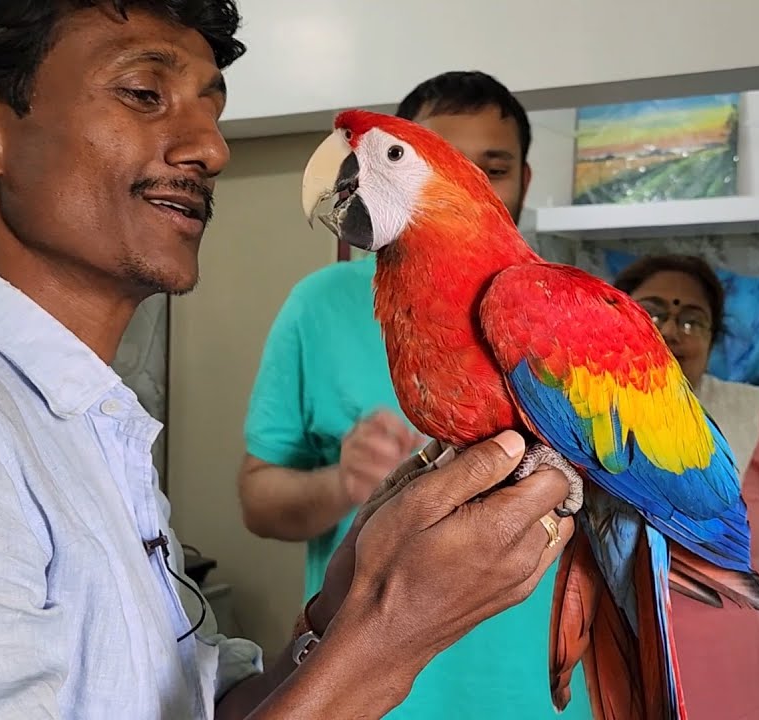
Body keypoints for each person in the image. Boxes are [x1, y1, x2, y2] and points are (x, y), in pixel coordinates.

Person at [0, 2, 579, 718]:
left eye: (212, 106)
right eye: (146, 95)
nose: (211, 148)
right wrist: (391, 636)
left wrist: (347, 607)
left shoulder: (77, 427)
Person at [239, 71, 592, 718]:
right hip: (363, 688)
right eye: (431, 156)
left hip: (538, 694)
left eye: (494, 166)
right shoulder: (317, 305)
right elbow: (258, 501)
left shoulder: (561, 308)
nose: (473, 179)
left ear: (524, 180)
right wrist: (343, 483)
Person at [612, 254, 759, 720]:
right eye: (652, 312)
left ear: (712, 342)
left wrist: (752, 638)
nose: (672, 330)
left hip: (732, 674)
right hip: (614, 665)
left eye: (693, 321)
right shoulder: (577, 416)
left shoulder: (752, 416)